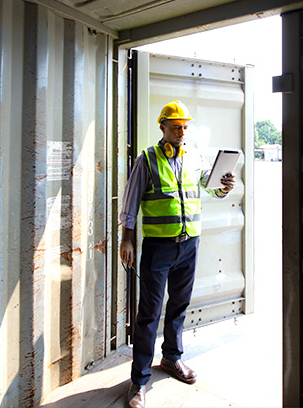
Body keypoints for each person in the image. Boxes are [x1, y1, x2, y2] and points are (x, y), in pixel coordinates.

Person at [119, 100, 236, 408]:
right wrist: (126, 239)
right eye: (175, 127)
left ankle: (172, 358)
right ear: (163, 127)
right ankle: (139, 380)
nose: (181, 132)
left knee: (179, 306)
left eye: (185, 127)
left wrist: (224, 186)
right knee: (149, 313)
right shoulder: (147, 159)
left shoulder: (195, 156)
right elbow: (130, 203)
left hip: (189, 245)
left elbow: (210, 188)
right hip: (159, 247)